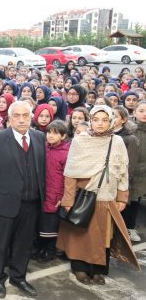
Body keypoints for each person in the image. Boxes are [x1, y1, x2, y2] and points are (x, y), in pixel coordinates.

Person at [57, 105, 140, 285]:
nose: (100, 124)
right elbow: (70, 173)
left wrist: (121, 197)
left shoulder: (116, 141)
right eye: (96, 120)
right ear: (90, 121)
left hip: (107, 197)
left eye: (104, 120)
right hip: (85, 195)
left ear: (111, 121)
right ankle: (80, 268)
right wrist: (68, 199)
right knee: (81, 234)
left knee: (104, 236)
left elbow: (123, 171)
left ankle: (97, 270)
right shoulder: (80, 141)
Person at [0, 100, 46, 299]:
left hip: (32, 202)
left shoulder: (38, 137)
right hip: (5, 202)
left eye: (25, 115)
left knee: (24, 243)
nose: (21, 120)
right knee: (2, 243)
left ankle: (18, 276)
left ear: (31, 117)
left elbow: (41, 169)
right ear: (9, 119)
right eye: (16, 116)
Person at [34, 120, 70, 263]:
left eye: (55, 133)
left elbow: (68, 178)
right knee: (41, 224)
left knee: (51, 226)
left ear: (63, 136)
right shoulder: (44, 148)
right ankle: (40, 249)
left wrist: (62, 196)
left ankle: (50, 251)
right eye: (49, 132)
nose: (50, 136)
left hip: (55, 195)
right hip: (43, 192)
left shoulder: (66, 153)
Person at [114, 106, 141, 242]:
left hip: (120, 181)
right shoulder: (106, 135)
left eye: (115, 116)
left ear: (124, 119)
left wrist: (122, 182)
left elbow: (129, 166)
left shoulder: (130, 139)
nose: (112, 119)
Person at [131, 101, 146, 242]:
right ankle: (127, 228)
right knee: (130, 201)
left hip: (144, 172)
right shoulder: (130, 130)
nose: (144, 114)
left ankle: (131, 227)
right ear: (134, 112)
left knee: (138, 199)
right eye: (141, 110)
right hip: (131, 171)